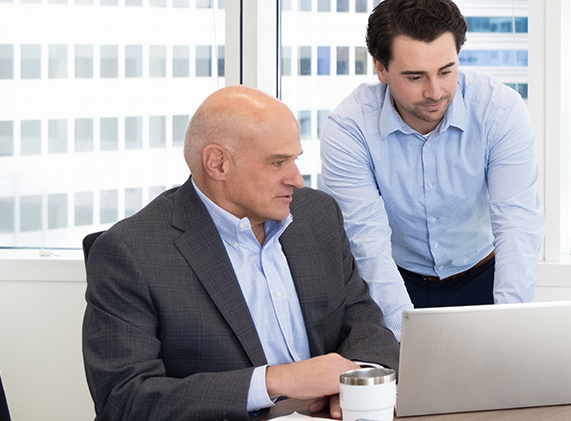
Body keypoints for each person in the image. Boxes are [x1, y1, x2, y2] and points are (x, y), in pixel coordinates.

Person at [82, 86, 399, 421]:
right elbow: (124, 399)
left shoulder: (317, 216)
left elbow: (364, 322)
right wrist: (275, 380)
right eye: (278, 162)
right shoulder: (130, 253)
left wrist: (356, 383)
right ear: (218, 163)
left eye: (295, 159)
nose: (297, 180)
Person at [321, 0, 542, 339]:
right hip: (393, 279)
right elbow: (367, 243)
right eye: (415, 77)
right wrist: (406, 340)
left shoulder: (500, 111)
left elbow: (517, 223)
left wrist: (510, 328)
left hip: (482, 273)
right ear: (381, 69)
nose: (435, 91)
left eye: (446, 71)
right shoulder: (349, 128)